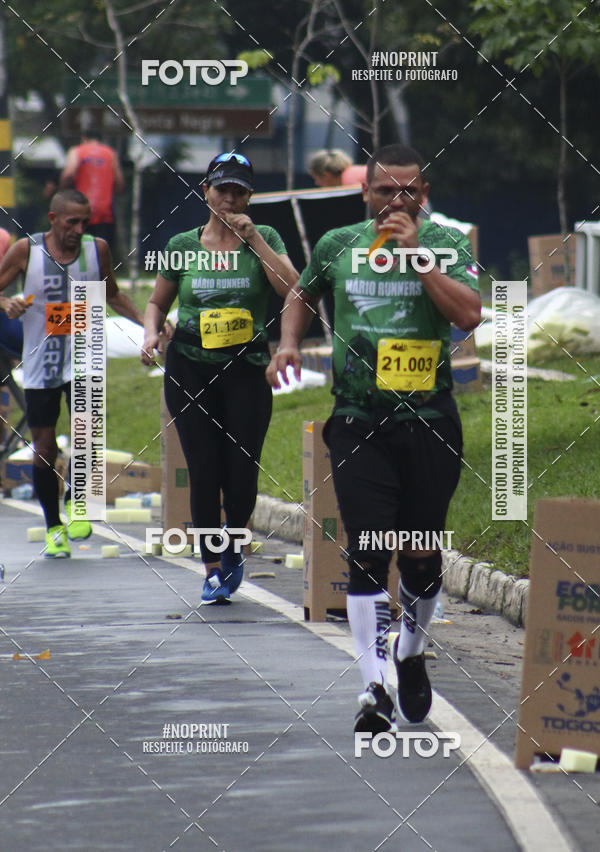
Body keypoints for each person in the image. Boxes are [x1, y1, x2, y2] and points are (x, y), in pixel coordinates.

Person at [267, 144, 480, 733]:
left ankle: (410, 653)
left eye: (408, 191)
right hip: (359, 419)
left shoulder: (447, 244)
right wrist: (288, 341)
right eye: (386, 191)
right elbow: (302, 293)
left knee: (419, 552)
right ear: (367, 193)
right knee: (366, 546)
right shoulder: (339, 246)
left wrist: (418, 258)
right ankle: (373, 688)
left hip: (430, 421)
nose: (396, 201)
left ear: (425, 195)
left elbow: (469, 316)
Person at [141, 152, 298, 603]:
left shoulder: (264, 235)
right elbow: (157, 302)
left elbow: (291, 290)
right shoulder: (182, 245)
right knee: (204, 469)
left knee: (241, 468)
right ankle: (212, 568)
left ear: (250, 196)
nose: (229, 199)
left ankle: (233, 542)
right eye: (221, 189)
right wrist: (152, 332)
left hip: (245, 368)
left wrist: (256, 243)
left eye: (239, 191)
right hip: (189, 365)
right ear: (205, 191)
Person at [0, 188, 144, 557]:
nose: (79, 229)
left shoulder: (98, 250)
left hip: (85, 354)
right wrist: (7, 301)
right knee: (44, 447)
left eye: (85, 222)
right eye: (71, 222)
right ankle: (52, 527)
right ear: (53, 220)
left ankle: (78, 503)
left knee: (86, 437)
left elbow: (112, 294)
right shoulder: (25, 251)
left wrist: (149, 325)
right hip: (40, 361)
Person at [59, 130, 125, 247]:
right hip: (105, 212)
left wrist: (62, 190)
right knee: (101, 252)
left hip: (80, 211)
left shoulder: (77, 151)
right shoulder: (110, 153)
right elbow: (119, 184)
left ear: (84, 139)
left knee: (77, 250)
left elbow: (69, 174)